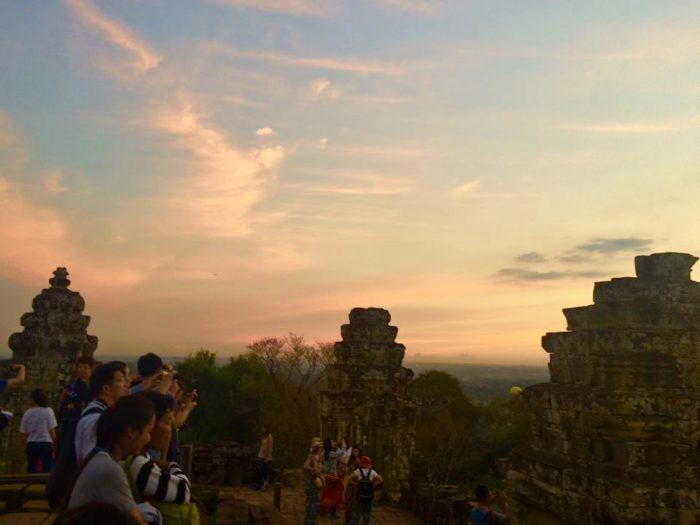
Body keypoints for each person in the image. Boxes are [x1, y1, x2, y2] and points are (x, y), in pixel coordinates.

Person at [66, 395, 158, 525]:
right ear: (132, 431)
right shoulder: (110, 470)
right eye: (148, 431)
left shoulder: (101, 458)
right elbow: (136, 521)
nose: (149, 439)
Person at [124, 390, 198, 524]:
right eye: (166, 422)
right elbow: (183, 492)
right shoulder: (138, 464)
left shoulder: (140, 459)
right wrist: (171, 465)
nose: (168, 430)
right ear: (149, 424)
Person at [75, 361, 130, 465]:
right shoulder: (96, 419)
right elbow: (89, 459)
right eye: (121, 380)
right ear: (106, 389)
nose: (126, 385)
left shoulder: (100, 411)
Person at [19, 389, 57, 473]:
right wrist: (55, 443)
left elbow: (24, 431)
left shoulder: (28, 412)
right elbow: (51, 430)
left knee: (31, 468)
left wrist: (25, 443)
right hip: (45, 442)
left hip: (32, 442)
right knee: (48, 468)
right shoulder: (48, 411)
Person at [349, 456, 383, 525]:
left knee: (357, 512)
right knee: (367, 512)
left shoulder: (358, 471)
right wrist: (373, 485)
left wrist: (355, 484)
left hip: (359, 496)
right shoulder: (372, 472)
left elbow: (349, 479)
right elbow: (381, 480)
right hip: (369, 496)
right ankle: (366, 523)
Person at [303, 437, 324, 525]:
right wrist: (314, 470)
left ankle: (310, 521)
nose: (322, 449)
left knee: (311, 502)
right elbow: (305, 466)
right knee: (314, 503)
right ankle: (309, 522)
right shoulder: (315, 456)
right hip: (312, 483)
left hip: (310, 482)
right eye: (320, 447)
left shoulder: (313, 455)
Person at [256, 425, 273, 490]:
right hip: (261, 454)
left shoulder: (269, 436)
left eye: (263, 428)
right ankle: (264, 483)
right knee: (261, 469)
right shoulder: (263, 436)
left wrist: (268, 456)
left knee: (265, 470)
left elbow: (270, 447)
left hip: (266, 456)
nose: (262, 430)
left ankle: (265, 483)